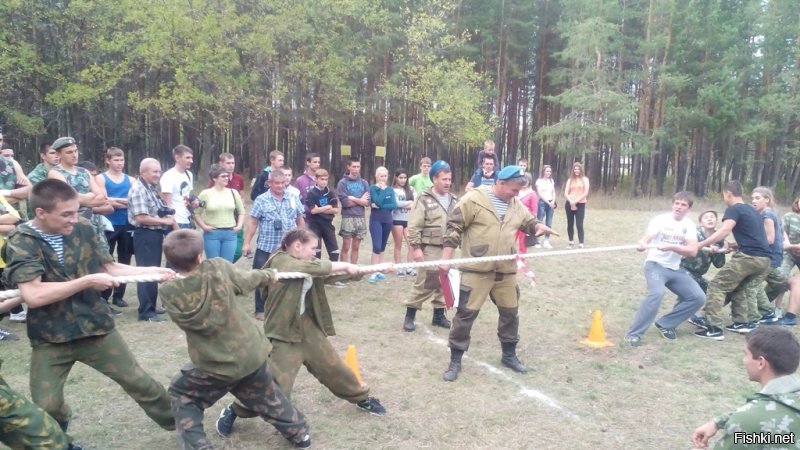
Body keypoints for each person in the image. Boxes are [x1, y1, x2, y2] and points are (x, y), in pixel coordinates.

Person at [2, 179, 177, 443]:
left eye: (75, 211)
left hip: (96, 328)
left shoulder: (83, 228)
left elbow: (109, 268)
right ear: (41, 213)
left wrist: (152, 272)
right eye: (66, 214)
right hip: (52, 338)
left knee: (141, 383)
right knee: (47, 406)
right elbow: (34, 295)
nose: (74, 219)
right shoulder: (21, 240)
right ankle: (59, 441)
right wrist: (85, 281)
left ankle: (182, 424)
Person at [217, 228, 386, 436]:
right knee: (277, 384)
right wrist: (345, 263)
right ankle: (234, 410)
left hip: (307, 326)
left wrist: (365, 270)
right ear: (297, 246)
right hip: (284, 332)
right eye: (313, 248)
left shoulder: (307, 267)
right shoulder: (280, 262)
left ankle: (362, 398)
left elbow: (327, 275)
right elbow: (312, 267)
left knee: (334, 367)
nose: (316, 253)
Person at [158, 230, 311, 449]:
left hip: (214, 365)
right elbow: (247, 281)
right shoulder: (217, 267)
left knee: (182, 394)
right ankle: (300, 434)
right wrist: (268, 274)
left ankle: (197, 446)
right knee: (267, 397)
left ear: (171, 261)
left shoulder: (168, 291)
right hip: (249, 353)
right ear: (200, 255)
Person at [440, 165, 554, 381]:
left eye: (519, 190)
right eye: (513, 189)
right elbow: (454, 228)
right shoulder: (473, 199)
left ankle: (509, 356)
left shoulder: (516, 203)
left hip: (506, 271)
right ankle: (455, 360)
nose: (516, 194)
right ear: (500, 183)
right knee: (466, 315)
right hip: (476, 270)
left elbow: (528, 222)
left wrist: (538, 227)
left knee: (510, 314)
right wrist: (445, 260)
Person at [691, 327, 800, 449]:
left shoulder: (749, 422)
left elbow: (756, 422)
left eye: (745, 354)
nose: (744, 360)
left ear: (760, 363)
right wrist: (718, 421)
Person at [622, 192, 706, 347]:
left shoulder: (688, 225)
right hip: (655, 266)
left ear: (689, 208)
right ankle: (633, 334)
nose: (679, 207)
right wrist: (643, 243)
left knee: (698, 297)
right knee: (657, 293)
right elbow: (649, 236)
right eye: (677, 203)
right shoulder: (660, 220)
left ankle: (666, 324)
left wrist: (672, 247)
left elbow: (692, 251)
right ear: (672, 204)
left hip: (675, 269)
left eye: (683, 205)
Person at [694, 181, 772, 340]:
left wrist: (700, 244)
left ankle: (713, 328)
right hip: (764, 260)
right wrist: (735, 245)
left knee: (717, 286)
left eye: (724, 195)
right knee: (739, 287)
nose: (725, 198)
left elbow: (725, 230)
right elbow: (755, 236)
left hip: (748, 257)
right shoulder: (752, 210)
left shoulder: (733, 209)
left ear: (728, 193)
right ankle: (741, 323)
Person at [403, 160, 457, 332]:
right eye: (444, 179)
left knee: (444, 282)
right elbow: (414, 226)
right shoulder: (423, 199)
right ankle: (410, 315)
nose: (447, 183)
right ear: (434, 179)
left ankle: (438, 316)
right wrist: (416, 248)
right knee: (426, 283)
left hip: (448, 248)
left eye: (449, 179)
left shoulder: (454, 200)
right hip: (430, 248)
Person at [244, 170, 304, 320]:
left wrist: (303, 239)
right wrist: (246, 243)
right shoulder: (261, 200)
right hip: (266, 246)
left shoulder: (293, 197)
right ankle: (260, 309)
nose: (280, 186)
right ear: (269, 183)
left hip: (288, 248)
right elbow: (253, 222)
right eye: (276, 183)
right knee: (261, 277)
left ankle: (285, 307)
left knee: (288, 277)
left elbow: (300, 218)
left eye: (282, 183)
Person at [128, 158, 176, 322]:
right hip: (145, 234)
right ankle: (146, 312)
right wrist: (165, 221)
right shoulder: (139, 189)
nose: (158, 174)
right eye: (154, 171)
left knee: (153, 271)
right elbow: (141, 218)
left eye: (159, 171)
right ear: (143, 172)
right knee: (147, 272)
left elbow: (156, 210)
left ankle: (152, 307)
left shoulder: (151, 188)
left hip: (154, 235)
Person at [96, 147, 134, 309]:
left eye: (122, 160)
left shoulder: (131, 180)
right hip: (108, 224)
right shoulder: (101, 178)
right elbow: (103, 201)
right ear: (108, 161)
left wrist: (115, 201)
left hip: (126, 224)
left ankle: (119, 296)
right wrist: (123, 201)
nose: (119, 163)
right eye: (116, 160)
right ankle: (104, 296)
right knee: (106, 259)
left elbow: (134, 200)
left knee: (125, 259)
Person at [47, 137, 112, 229]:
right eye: (69, 152)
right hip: (72, 224)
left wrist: (81, 200)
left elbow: (102, 198)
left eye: (75, 151)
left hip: (93, 224)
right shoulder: (55, 173)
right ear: (59, 154)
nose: (74, 155)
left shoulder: (84, 172)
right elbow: (68, 199)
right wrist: (90, 196)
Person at [193, 164, 245, 263]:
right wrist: (204, 226)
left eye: (227, 176)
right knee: (214, 264)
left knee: (227, 265)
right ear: (214, 179)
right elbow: (196, 213)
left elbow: (241, 211)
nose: (226, 178)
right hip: (213, 233)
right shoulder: (206, 194)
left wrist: (239, 226)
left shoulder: (233, 193)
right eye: (223, 176)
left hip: (230, 233)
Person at [750, 187, 787, 325]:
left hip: (769, 257)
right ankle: (762, 310)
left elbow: (769, 239)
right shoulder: (771, 213)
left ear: (767, 199)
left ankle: (765, 313)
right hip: (775, 255)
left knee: (752, 284)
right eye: (753, 198)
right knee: (779, 283)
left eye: (758, 198)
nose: (754, 201)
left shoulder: (766, 214)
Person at [336, 157, 370, 265]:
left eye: (358, 167)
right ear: (349, 167)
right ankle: (343, 270)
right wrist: (361, 200)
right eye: (354, 166)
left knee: (356, 246)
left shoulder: (364, 183)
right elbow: (345, 203)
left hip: (360, 217)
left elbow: (368, 202)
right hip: (348, 217)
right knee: (346, 246)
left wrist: (353, 198)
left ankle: (353, 269)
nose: (356, 169)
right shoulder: (342, 183)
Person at [367, 166, 397, 283]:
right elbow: (377, 200)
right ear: (376, 176)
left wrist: (380, 205)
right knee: (376, 246)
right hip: (376, 220)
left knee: (383, 246)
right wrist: (383, 193)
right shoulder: (373, 188)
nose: (383, 178)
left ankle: (379, 270)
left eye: (385, 176)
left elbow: (393, 205)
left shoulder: (390, 189)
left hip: (387, 220)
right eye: (381, 176)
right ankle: (373, 271)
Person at [305, 169, 340, 264]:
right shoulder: (311, 193)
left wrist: (320, 209)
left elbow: (336, 210)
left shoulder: (330, 193)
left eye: (326, 179)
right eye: (322, 179)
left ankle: (333, 275)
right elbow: (313, 211)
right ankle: (316, 275)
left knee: (335, 252)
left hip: (328, 225)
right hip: (315, 226)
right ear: (316, 179)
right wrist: (328, 207)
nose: (324, 181)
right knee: (316, 252)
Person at [160, 144, 196, 230]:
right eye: (187, 158)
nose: (191, 161)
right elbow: (166, 205)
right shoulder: (168, 176)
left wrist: (193, 203)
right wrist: (174, 224)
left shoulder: (189, 174)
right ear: (177, 158)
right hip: (176, 221)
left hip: (187, 219)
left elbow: (185, 198)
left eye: (191, 158)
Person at [391, 168, 415, 276]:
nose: (403, 180)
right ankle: (398, 267)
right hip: (397, 220)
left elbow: (416, 202)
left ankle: (409, 267)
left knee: (412, 244)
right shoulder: (392, 190)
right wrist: (409, 202)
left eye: (405, 178)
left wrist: (408, 203)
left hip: (408, 220)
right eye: (401, 177)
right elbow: (396, 204)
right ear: (396, 178)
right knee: (398, 244)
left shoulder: (411, 189)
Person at [564, 162, 589, 249]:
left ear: (581, 170)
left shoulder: (585, 179)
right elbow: (566, 193)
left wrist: (575, 202)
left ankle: (581, 243)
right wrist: (571, 202)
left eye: (578, 169)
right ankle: (571, 242)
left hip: (580, 204)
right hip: (569, 203)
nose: (576, 171)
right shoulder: (569, 180)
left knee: (579, 224)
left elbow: (585, 193)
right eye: (575, 169)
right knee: (570, 223)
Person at [534, 164, 556, 249]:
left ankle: (546, 241)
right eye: (547, 171)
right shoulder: (539, 181)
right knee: (539, 221)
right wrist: (547, 202)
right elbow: (540, 194)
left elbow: (553, 192)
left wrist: (553, 201)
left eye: (550, 171)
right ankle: (537, 240)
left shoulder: (551, 181)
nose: (549, 173)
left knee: (549, 222)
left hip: (551, 203)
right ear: (543, 171)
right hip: (542, 203)